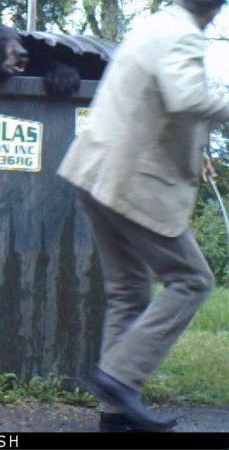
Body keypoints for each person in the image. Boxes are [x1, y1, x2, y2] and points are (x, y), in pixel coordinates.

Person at [57, 0, 229, 432]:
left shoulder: (157, 25)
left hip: (95, 172)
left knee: (129, 290)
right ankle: (119, 377)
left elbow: (151, 103)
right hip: (132, 183)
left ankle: (114, 418)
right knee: (192, 280)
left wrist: (196, 153)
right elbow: (186, 95)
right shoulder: (185, 33)